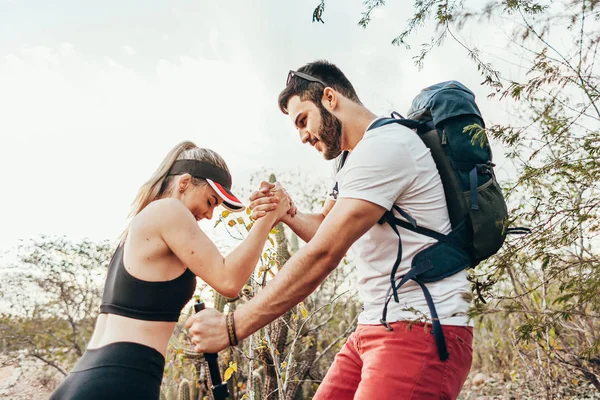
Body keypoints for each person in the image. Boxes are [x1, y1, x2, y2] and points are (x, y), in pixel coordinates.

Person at [185, 61, 473, 399]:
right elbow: (325, 228)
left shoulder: (387, 146)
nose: (303, 136)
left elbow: (324, 252)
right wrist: (287, 211)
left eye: (303, 120)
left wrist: (232, 327)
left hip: (421, 328)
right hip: (373, 326)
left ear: (330, 98)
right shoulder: (351, 160)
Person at [50, 140, 290, 400]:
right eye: (211, 201)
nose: (210, 214)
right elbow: (228, 280)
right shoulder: (169, 210)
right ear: (185, 183)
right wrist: (268, 220)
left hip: (91, 377)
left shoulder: (140, 226)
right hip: (121, 380)